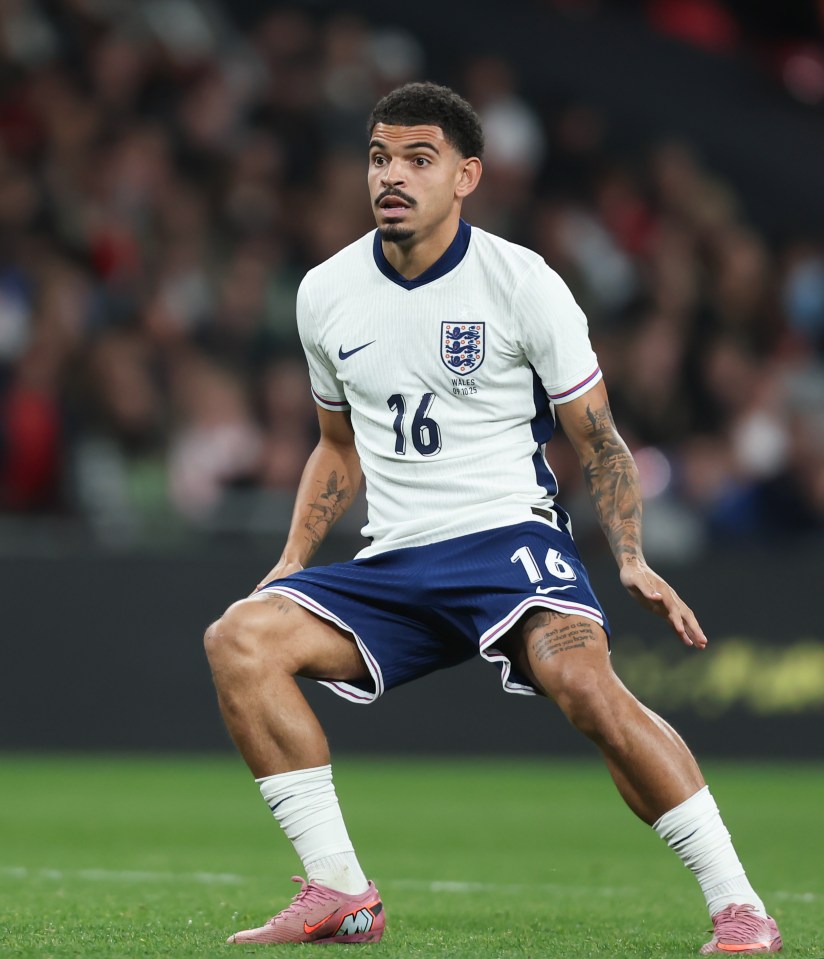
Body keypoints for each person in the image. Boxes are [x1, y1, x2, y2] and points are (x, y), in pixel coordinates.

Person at [204, 82, 782, 953]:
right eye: (378, 157)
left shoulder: (521, 282)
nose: (391, 176)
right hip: (395, 563)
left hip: (508, 543)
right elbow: (336, 445)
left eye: (417, 159)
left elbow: (603, 443)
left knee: (587, 688)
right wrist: (293, 557)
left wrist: (629, 554)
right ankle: (341, 892)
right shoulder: (325, 292)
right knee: (238, 639)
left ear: (467, 175)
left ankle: (740, 907)